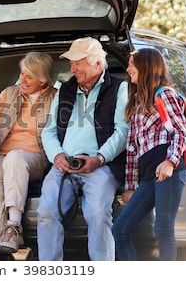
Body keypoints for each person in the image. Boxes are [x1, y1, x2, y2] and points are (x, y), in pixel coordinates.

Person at [37, 37, 129, 261]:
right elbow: (48, 131)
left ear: (97, 63)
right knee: (46, 213)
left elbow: (123, 131)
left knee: (98, 214)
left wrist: (99, 158)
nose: (72, 68)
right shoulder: (65, 90)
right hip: (64, 165)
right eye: (71, 63)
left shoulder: (119, 87)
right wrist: (57, 155)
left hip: (99, 165)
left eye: (77, 61)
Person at [111, 48, 186, 261]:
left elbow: (180, 131)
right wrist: (130, 186)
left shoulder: (164, 94)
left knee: (163, 229)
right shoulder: (137, 102)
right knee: (120, 230)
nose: (127, 70)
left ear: (146, 67)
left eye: (131, 64)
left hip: (168, 171)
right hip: (148, 176)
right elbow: (132, 149)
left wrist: (170, 162)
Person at [0, 52, 55, 261]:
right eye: (22, 74)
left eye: (29, 77)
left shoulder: (56, 98)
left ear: (43, 80)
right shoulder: (8, 93)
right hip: (2, 155)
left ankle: (14, 226)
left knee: (15, 158)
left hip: (35, 158)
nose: (22, 80)